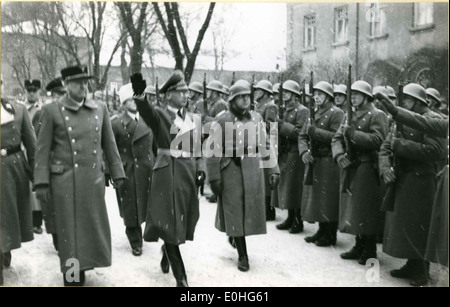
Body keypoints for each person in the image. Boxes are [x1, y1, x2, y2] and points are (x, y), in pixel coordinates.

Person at [34, 65, 126, 286]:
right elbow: (42, 149)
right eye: (77, 82)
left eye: (85, 82)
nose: (83, 86)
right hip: (64, 184)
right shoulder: (52, 111)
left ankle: (82, 268)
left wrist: (118, 173)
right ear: (66, 85)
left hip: (92, 183)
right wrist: (41, 182)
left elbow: (110, 144)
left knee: (89, 233)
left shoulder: (100, 108)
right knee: (70, 238)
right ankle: (73, 278)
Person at [131, 70, 206, 287]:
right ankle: (181, 279)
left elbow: (198, 147)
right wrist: (140, 95)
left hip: (186, 175)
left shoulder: (192, 118)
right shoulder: (160, 115)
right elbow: (145, 111)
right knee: (170, 221)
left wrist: (200, 167)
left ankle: (167, 248)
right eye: (180, 92)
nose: (185, 96)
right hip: (167, 174)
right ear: (169, 94)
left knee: (179, 222)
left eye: (186, 92)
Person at [207, 80, 280, 271]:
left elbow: (265, 145)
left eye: (247, 96)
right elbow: (212, 150)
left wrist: (273, 169)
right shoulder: (222, 120)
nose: (245, 100)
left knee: (246, 212)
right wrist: (214, 177)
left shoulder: (256, 119)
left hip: (252, 170)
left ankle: (234, 236)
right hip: (230, 170)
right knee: (235, 210)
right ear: (232, 99)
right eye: (241, 97)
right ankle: (243, 255)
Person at [378, 83, 445, 286]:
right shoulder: (401, 119)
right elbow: (386, 146)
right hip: (403, 177)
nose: (403, 103)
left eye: (406, 99)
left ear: (417, 101)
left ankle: (422, 271)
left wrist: (402, 146)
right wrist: (385, 167)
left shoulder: (433, 120)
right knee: (405, 225)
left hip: (422, 180)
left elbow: (434, 151)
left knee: (420, 227)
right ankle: (411, 264)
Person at [332, 80, 388, 265]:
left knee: (366, 209)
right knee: (354, 208)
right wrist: (339, 155)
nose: (352, 97)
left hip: (367, 166)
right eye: (352, 94)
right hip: (351, 165)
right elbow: (337, 138)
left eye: (356, 94)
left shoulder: (377, 115)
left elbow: (378, 140)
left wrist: (354, 134)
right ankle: (359, 244)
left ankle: (370, 249)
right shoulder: (349, 115)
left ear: (366, 96)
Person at [111, 83, 155, 256]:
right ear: (123, 102)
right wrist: (111, 172)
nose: (135, 102)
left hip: (146, 167)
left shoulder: (149, 119)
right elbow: (109, 149)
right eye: (130, 99)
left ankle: (142, 232)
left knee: (145, 204)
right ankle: (135, 239)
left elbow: (156, 145)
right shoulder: (115, 123)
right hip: (127, 170)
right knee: (130, 206)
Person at [299, 81, 344, 246]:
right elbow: (302, 136)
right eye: (315, 94)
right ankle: (321, 230)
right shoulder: (314, 113)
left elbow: (336, 137)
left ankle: (330, 233)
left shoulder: (336, 113)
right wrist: (304, 151)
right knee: (318, 198)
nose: (316, 97)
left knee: (328, 198)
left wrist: (315, 132)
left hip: (329, 160)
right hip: (315, 160)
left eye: (320, 94)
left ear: (328, 96)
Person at [1, 80, 37, 286]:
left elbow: (32, 146)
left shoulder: (18, 110)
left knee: (7, 217)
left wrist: (37, 178)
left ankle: (5, 250)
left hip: (13, 172)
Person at [273, 80, 309, 233]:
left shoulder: (302, 110)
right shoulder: (284, 110)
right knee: (286, 187)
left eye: (288, 92)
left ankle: (297, 220)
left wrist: (282, 125)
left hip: (295, 152)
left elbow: (300, 132)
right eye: (284, 92)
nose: (285, 94)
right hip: (285, 151)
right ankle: (290, 216)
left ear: (295, 95)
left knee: (294, 187)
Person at [254, 80, 279, 221]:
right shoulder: (259, 105)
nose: (257, 92)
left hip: (266, 143)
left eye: (259, 90)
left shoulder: (270, 106)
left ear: (265, 92)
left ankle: (269, 211)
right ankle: (263, 209)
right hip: (258, 142)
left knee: (266, 178)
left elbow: (270, 126)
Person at [22, 79, 44, 234]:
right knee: (25, 186)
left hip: (41, 151)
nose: (31, 93)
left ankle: (37, 221)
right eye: (29, 90)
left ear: (39, 92)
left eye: (34, 90)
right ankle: (26, 219)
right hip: (23, 151)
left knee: (38, 184)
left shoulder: (45, 109)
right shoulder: (19, 108)